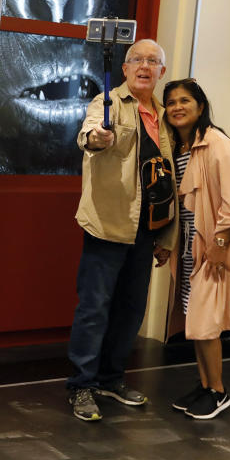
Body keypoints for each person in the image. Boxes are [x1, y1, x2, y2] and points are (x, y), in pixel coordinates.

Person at [66, 39, 178, 421]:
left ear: (162, 72)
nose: (145, 66)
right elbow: (90, 134)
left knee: (131, 310)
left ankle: (111, 380)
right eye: (138, 60)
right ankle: (82, 385)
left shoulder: (165, 117)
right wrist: (98, 138)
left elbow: (170, 181)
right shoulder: (107, 102)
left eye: (154, 61)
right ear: (126, 68)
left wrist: (166, 237)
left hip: (148, 229)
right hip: (109, 224)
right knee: (94, 308)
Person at [162, 78, 230, 420]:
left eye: (185, 100)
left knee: (206, 320)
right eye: (171, 101)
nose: (177, 106)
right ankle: (205, 385)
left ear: (200, 107)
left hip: (217, 242)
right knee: (194, 314)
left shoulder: (218, 145)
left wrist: (220, 245)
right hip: (191, 242)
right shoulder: (179, 147)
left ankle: (218, 392)